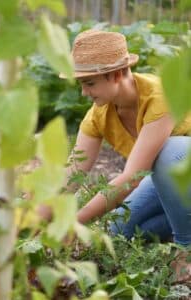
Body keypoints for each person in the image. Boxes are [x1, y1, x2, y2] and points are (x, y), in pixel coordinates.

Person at [56, 29, 191, 283]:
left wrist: (76, 222)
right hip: (174, 186)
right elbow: (73, 172)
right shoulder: (99, 114)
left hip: (183, 169)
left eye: (90, 83)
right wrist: (38, 215)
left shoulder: (160, 96)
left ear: (117, 74)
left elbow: (132, 177)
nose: (84, 92)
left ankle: (187, 250)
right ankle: (180, 223)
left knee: (167, 154)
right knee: (119, 231)